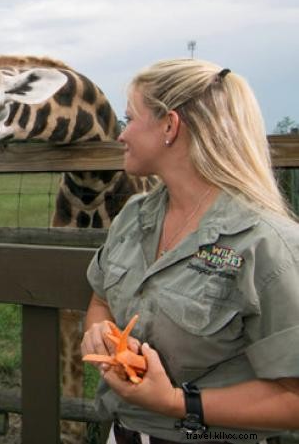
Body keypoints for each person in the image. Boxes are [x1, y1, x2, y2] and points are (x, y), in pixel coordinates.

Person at [81, 59, 299, 443]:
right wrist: (101, 333)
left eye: (129, 118)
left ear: (170, 126)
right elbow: (100, 299)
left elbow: (293, 399)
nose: (121, 135)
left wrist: (176, 403)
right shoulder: (134, 217)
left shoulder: (267, 244)